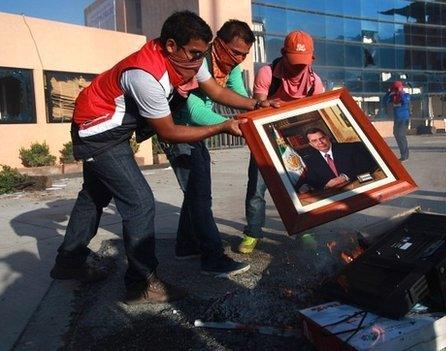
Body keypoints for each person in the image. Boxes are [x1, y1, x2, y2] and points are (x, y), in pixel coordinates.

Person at [49, 11, 276, 304]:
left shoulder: (190, 57)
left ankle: (69, 261)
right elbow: (168, 132)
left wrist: (256, 104)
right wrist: (221, 126)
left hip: (108, 123)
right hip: (98, 130)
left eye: (202, 54)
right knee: (140, 203)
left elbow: (216, 90)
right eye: (194, 54)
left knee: (94, 196)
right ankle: (141, 284)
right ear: (171, 46)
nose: (198, 63)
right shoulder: (146, 75)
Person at [159, 20, 256, 276]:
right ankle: (213, 258)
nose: (239, 59)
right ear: (219, 44)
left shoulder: (229, 65)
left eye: (245, 55)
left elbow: (236, 94)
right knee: (200, 197)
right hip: (179, 132)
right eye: (236, 52)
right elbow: (195, 110)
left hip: (196, 134)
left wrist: (257, 107)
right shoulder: (199, 62)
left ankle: (185, 245)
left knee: (196, 193)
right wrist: (228, 124)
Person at [238, 30, 325, 254]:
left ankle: (305, 229)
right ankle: (253, 232)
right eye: (294, 62)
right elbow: (257, 108)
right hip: (264, 139)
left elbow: (318, 113)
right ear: (283, 54)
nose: (297, 69)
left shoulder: (315, 82)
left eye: (302, 64)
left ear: (312, 59)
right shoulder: (267, 73)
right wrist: (268, 105)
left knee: (301, 186)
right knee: (257, 188)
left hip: (296, 141)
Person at [300, 128, 375, 191]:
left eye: (322, 138)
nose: (320, 142)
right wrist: (307, 186)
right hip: (336, 195)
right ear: (310, 144)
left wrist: (344, 177)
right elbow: (314, 181)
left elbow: (367, 165)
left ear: (327, 137)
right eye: (314, 141)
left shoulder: (349, 148)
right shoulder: (311, 160)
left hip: (361, 187)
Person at [382, 81, 411, 161]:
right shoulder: (393, 96)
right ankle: (403, 154)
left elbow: (405, 101)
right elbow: (385, 101)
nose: (396, 90)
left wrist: (400, 92)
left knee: (401, 135)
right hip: (397, 119)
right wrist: (389, 92)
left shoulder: (406, 95)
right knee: (396, 134)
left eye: (396, 88)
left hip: (404, 119)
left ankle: (405, 155)